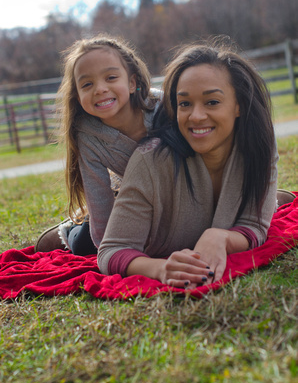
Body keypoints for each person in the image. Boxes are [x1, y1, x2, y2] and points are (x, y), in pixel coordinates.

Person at [97, 39, 284, 288]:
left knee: (272, 204)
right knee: (78, 242)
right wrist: (160, 268)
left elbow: (255, 226)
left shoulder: (259, 146)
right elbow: (112, 250)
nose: (196, 116)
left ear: (238, 104)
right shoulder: (149, 161)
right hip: (130, 213)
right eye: (184, 103)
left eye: (212, 102)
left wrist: (221, 237)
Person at [35, 34, 161, 255]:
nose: (100, 89)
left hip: (172, 194)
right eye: (87, 84)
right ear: (77, 95)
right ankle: (73, 228)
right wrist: (111, 250)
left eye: (111, 77)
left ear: (132, 82)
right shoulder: (88, 136)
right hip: (131, 195)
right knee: (87, 245)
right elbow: (99, 196)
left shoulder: (162, 108)